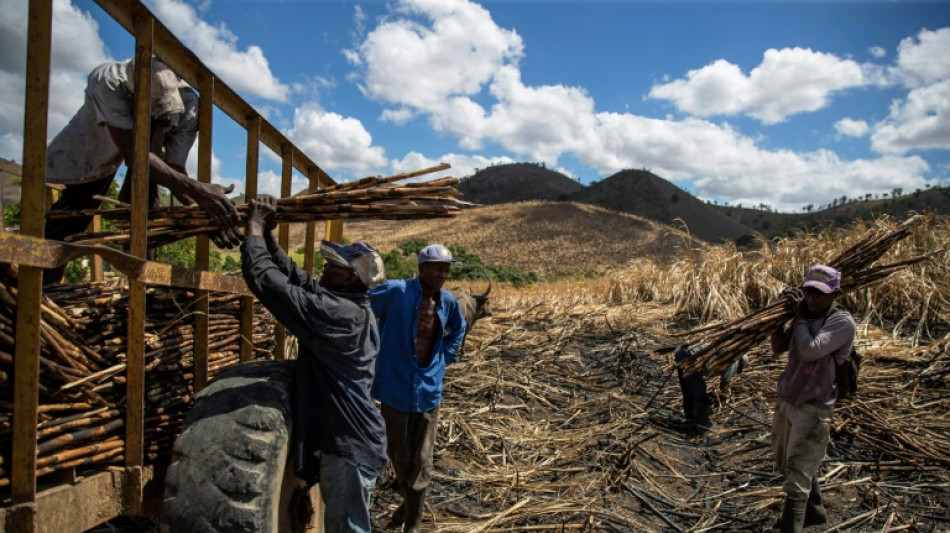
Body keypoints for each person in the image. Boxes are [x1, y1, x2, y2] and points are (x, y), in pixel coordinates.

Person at [241, 197, 387, 532]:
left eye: (332, 264)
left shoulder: (339, 314)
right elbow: (298, 279)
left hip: (350, 448)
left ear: (350, 278)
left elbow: (265, 281)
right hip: (354, 440)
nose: (324, 267)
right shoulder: (350, 304)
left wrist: (252, 225)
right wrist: (269, 238)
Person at [44, 56, 240, 282]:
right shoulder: (108, 82)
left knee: (143, 220)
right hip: (94, 148)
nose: (163, 115)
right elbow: (135, 157)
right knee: (71, 219)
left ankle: (138, 291)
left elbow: (174, 168)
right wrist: (200, 191)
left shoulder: (189, 107)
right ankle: (41, 289)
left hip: (150, 158)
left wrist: (203, 212)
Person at [370, 244, 466, 533]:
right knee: (398, 455)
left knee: (422, 459)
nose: (443, 274)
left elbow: (458, 330)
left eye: (446, 269)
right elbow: (361, 305)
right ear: (422, 267)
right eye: (437, 267)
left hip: (427, 390)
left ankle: (413, 522)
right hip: (395, 388)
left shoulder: (448, 303)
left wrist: (446, 358)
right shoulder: (396, 292)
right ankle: (408, 502)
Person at [769, 264, 855, 533]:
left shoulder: (841, 322)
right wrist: (776, 319)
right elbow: (778, 347)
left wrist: (799, 316)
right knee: (787, 463)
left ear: (835, 294)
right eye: (808, 292)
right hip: (788, 397)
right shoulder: (803, 316)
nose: (812, 299)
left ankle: (792, 525)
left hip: (814, 405)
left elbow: (808, 351)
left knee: (797, 473)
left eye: (819, 294)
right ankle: (814, 512)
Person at [674, 346, 748, 433]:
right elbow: (725, 385)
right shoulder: (733, 360)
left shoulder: (725, 349)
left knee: (688, 388)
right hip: (690, 357)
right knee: (699, 391)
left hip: (682, 353)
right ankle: (701, 423)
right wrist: (719, 397)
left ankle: (690, 418)